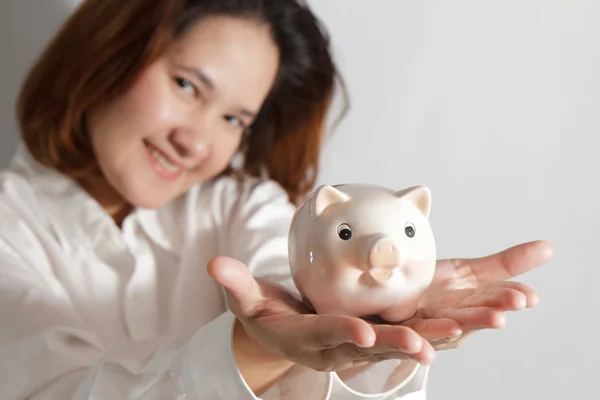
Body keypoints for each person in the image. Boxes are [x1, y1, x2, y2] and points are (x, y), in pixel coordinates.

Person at [0, 0, 553, 399]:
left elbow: (285, 274)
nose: (194, 142)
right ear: (108, 52)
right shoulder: (11, 227)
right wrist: (257, 347)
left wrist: (351, 304)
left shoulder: (242, 205)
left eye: (234, 118)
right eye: (187, 86)